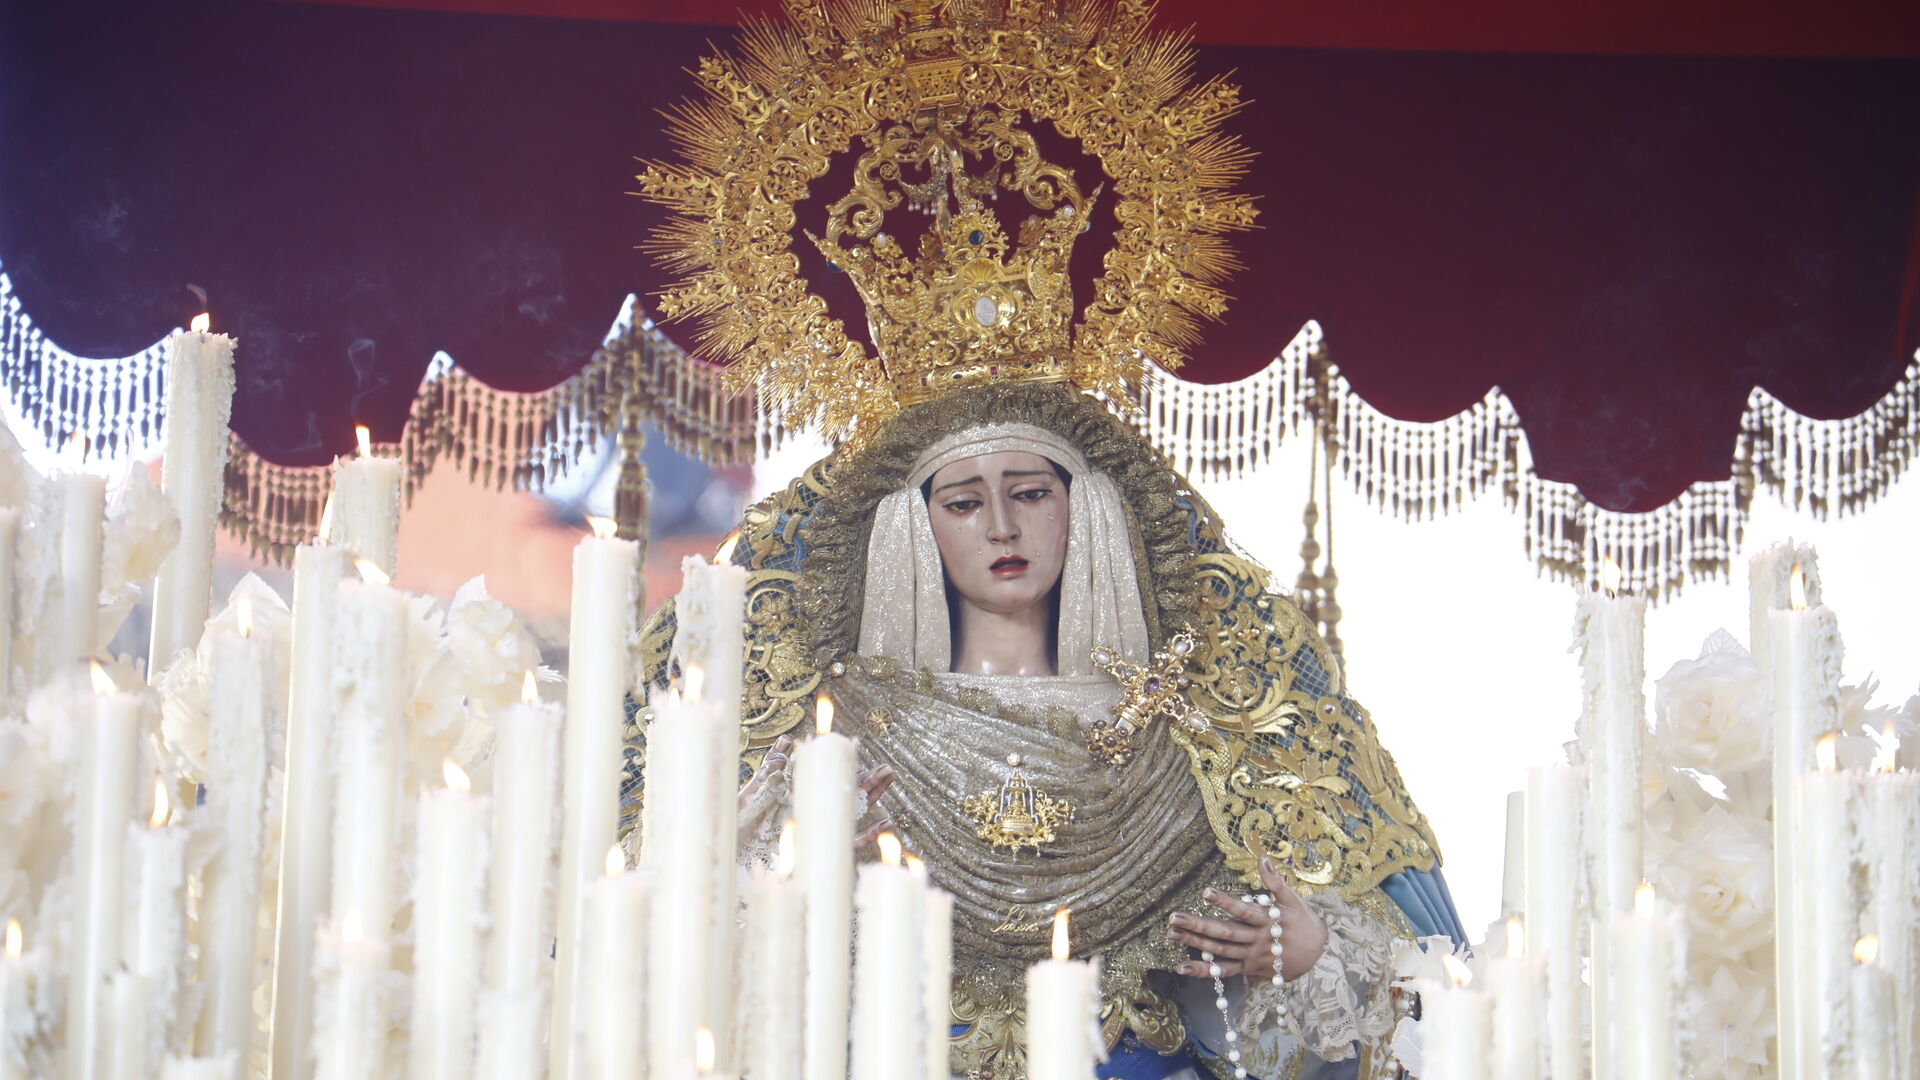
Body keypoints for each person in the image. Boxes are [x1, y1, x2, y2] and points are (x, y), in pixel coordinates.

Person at [623, 4, 1465, 1076]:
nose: (1005, 526)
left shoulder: (1185, 725)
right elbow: (682, 958)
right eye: (963, 503)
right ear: (912, 531)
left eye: (1030, 491)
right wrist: (795, 859)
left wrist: (1303, 952)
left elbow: (1383, 984)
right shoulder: (845, 736)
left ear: (1088, 512)